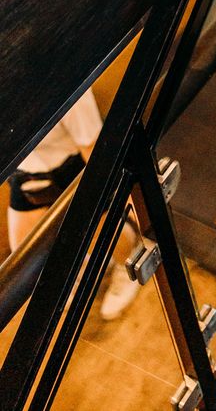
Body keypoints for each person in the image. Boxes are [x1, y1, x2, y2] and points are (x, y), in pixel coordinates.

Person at [6, 90, 140, 320]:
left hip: (73, 168)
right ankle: (79, 266)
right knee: (23, 261)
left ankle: (129, 265)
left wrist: (122, 198)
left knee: (112, 234)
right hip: (26, 177)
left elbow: (92, 147)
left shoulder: (57, 79)